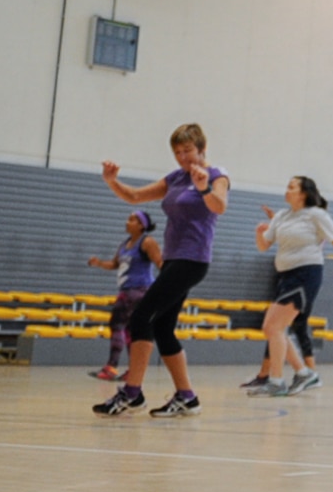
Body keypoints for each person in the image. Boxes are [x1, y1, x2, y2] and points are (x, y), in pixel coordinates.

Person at [94, 124, 229, 418]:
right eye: (177, 152)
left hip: (192, 260)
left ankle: (132, 393)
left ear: (202, 149)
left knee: (141, 317)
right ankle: (187, 397)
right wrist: (112, 181)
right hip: (173, 259)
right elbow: (135, 197)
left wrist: (204, 185)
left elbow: (219, 207)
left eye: (188, 151)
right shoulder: (176, 178)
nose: (182, 157)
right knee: (163, 328)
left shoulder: (216, 175)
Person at [248, 177, 333, 397]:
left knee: (275, 327)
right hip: (284, 276)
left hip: (306, 274)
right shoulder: (281, 216)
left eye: (292, 187)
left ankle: (277, 381)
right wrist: (259, 233)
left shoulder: (316, 215)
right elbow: (264, 246)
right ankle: (303, 373)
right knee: (271, 328)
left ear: (303, 194)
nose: (287, 190)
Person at [86, 210, 161, 380]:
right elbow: (114, 264)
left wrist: (169, 285)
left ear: (142, 225)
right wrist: (99, 263)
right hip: (127, 291)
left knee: (117, 325)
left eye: (132, 220)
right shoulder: (125, 244)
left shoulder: (147, 242)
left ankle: (111, 367)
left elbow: (160, 262)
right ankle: (131, 371)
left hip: (138, 291)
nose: (127, 222)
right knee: (128, 330)